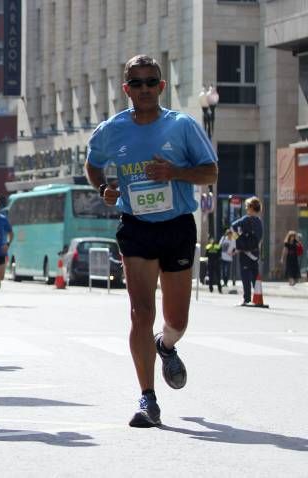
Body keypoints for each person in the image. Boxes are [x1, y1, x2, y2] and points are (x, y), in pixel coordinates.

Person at [85, 54, 218, 428]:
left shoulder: (183, 126)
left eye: (151, 82)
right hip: (136, 226)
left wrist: (173, 171)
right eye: (136, 82)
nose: (144, 88)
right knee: (140, 313)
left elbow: (210, 171)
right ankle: (147, 398)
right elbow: (93, 164)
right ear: (126, 89)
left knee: (176, 319)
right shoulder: (112, 130)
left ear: (161, 86)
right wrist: (103, 189)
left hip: (176, 226)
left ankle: (167, 345)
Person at [231, 197, 264, 305]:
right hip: (255, 253)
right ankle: (258, 296)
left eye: (247, 206)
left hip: (245, 253)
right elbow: (260, 238)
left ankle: (247, 298)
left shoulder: (246, 219)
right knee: (255, 275)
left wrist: (239, 240)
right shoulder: (259, 222)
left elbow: (233, 227)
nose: (246, 209)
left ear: (250, 207)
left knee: (245, 275)